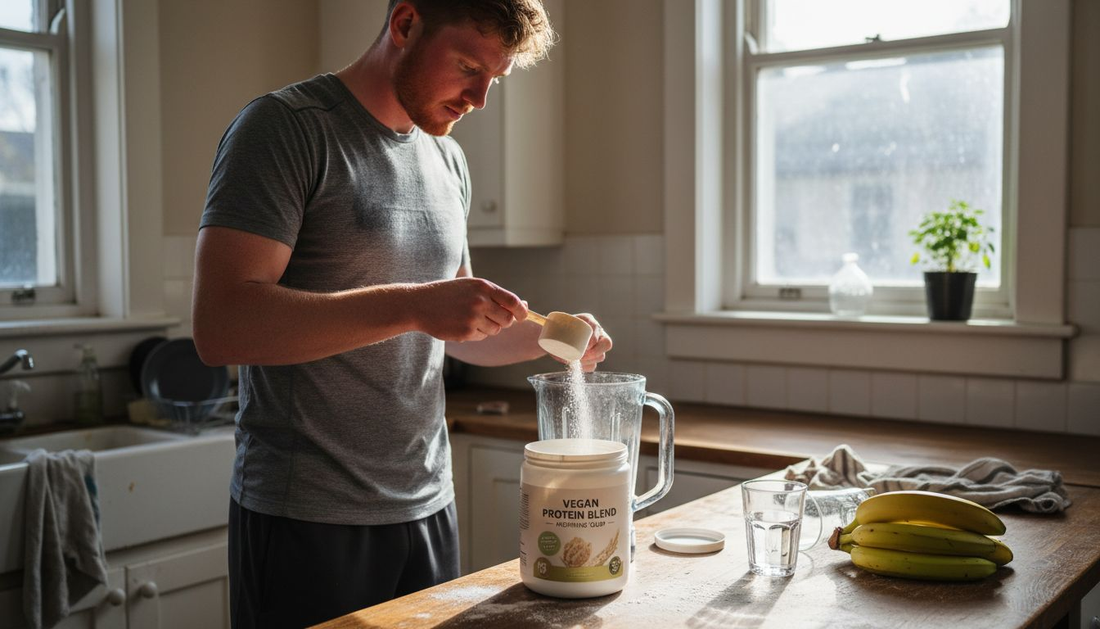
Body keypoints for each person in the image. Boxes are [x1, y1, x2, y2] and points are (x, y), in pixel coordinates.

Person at [190, 1, 612, 627]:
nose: (479, 98)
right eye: (468, 66)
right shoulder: (286, 128)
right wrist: (415, 305)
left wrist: (549, 337)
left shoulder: (447, 159)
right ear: (406, 24)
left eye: (494, 78)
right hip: (307, 511)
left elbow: (461, 328)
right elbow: (222, 325)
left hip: (428, 504)